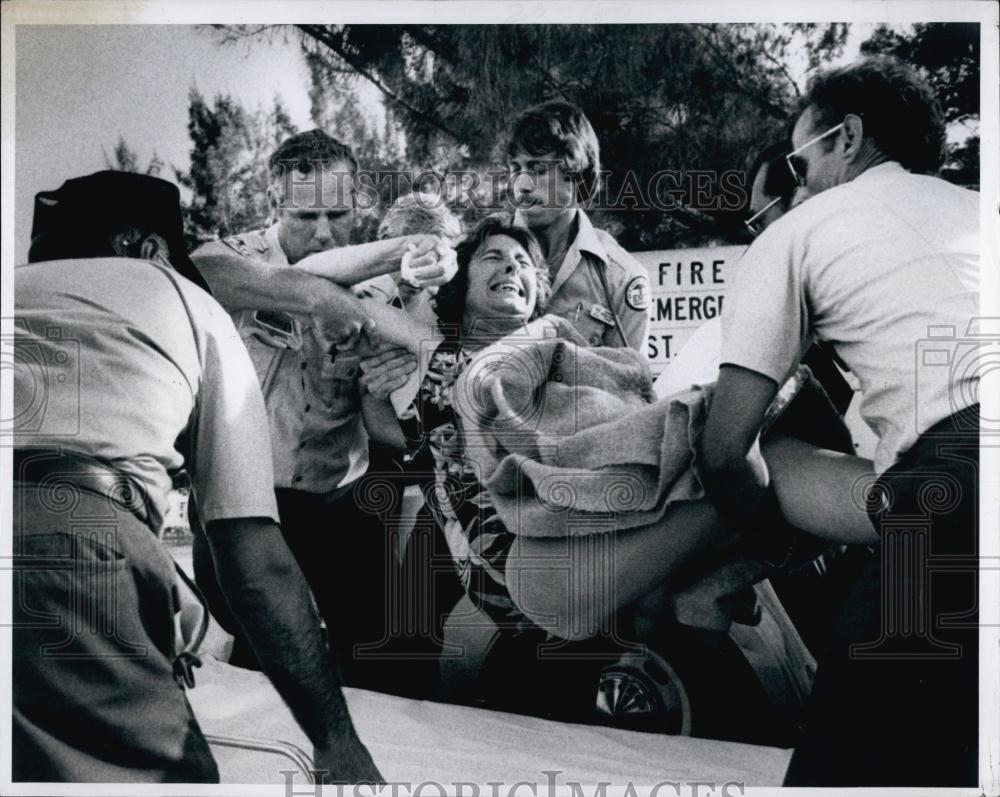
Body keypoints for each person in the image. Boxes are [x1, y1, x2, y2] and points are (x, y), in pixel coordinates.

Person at [354, 217, 880, 733]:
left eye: (522, 261)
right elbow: (341, 302)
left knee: (751, 452)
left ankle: (708, 588)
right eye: (492, 256)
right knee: (749, 451)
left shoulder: (569, 356)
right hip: (529, 568)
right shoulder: (432, 355)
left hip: (600, 541)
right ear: (456, 284)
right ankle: (916, 509)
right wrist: (413, 257)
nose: (511, 265)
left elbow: (622, 427)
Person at [11, 171, 381, 783]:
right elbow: (253, 560)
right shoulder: (188, 301)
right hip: (67, 547)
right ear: (150, 249)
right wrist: (337, 742)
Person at [698, 57, 980, 786]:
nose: (798, 185)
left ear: (846, 138)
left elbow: (726, 449)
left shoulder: (801, 231)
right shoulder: (980, 209)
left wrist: (769, 542)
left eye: (800, 161)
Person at [190, 131, 454, 687]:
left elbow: (396, 424)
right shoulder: (230, 258)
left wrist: (398, 370)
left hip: (340, 500)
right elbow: (211, 278)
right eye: (306, 214)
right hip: (241, 506)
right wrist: (374, 269)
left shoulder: (387, 289)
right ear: (271, 204)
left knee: (389, 663)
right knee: (259, 671)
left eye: (338, 212)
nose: (324, 231)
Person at [507, 100, 651, 351]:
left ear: (576, 174)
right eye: (515, 169)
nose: (523, 185)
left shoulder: (620, 277)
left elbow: (627, 384)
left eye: (538, 169)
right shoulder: (477, 254)